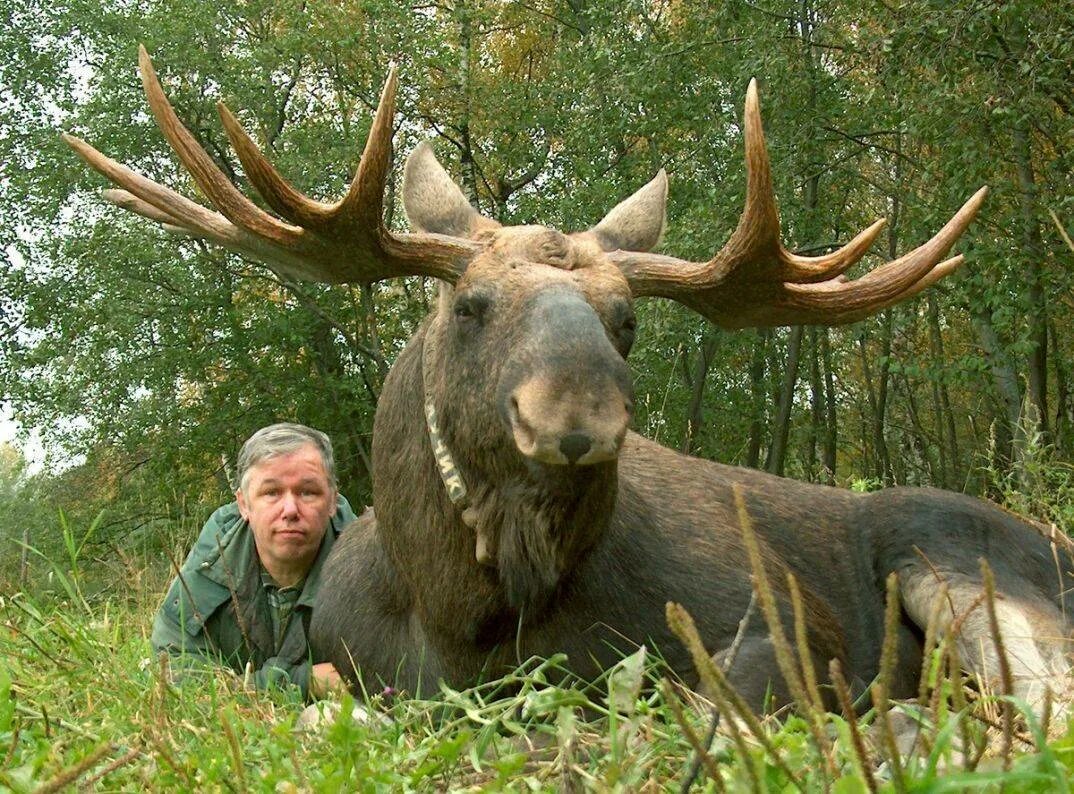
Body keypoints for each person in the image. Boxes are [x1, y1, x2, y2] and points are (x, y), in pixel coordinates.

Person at [150, 423, 357, 698]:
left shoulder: (368, 566)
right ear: (244, 504)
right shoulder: (212, 564)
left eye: (308, 492)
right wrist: (303, 683)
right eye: (271, 493)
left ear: (332, 501)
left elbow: (400, 673)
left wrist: (241, 688)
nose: (290, 510)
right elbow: (176, 671)